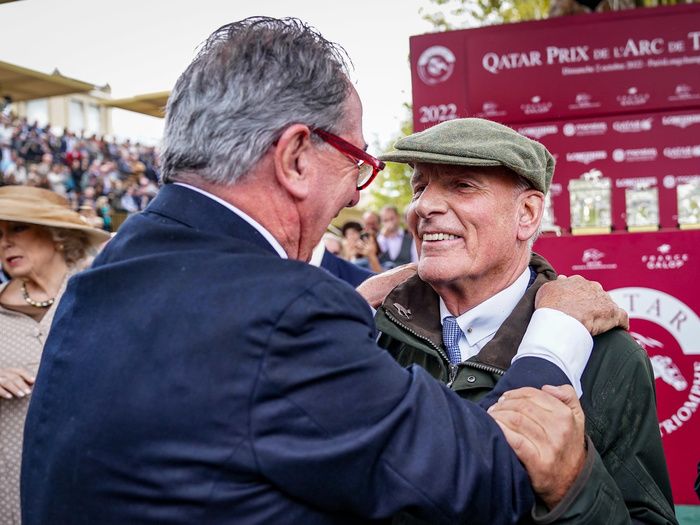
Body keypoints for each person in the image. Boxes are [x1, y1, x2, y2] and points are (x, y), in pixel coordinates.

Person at [22, 18, 626, 525]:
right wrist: (555, 335)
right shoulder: (286, 315)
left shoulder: (113, 271)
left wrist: (348, 314)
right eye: (357, 161)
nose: (359, 198)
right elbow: (489, 476)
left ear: (528, 214)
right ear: (293, 158)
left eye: (463, 186)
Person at [371, 118, 677, 524]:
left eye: (462, 185)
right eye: (421, 187)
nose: (424, 206)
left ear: (528, 214)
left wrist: (574, 487)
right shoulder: (374, 331)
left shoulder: (608, 355)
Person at [0, 186, 109, 525]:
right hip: (13, 494)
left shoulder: (104, 292)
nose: (4, 243)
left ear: (57, 235)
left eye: (17, 228)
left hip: (99, 485)